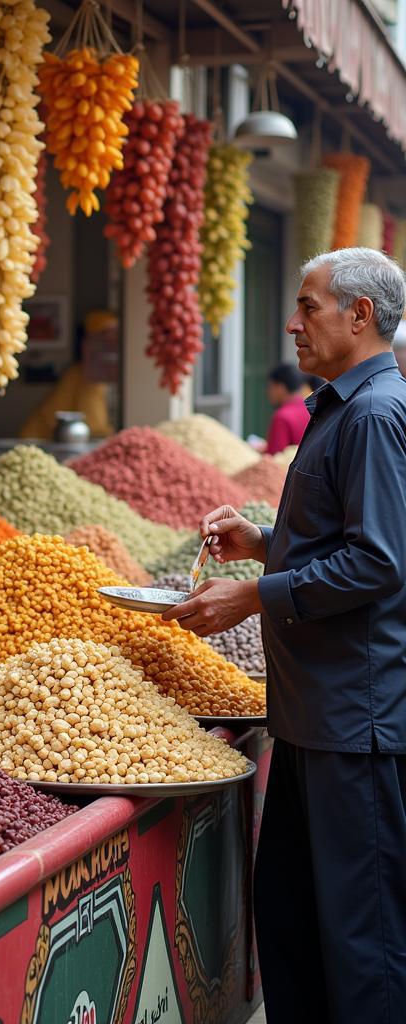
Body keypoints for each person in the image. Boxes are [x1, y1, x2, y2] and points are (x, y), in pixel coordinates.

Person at [162, 248, 406, 1022]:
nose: (292, 323)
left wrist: (256, 596)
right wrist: (262, 540)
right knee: (298, 927)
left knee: (359, 940)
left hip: (353, 724)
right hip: (312, 717)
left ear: (359, 316)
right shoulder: (342, 405)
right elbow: (344, 538)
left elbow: (378, 562)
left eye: (307, 307)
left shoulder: (374, 413)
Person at [19, 311, 115, 440]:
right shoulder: (87, 375)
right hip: (39, 438)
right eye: (104, 335)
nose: (111, 341)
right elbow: (95, 425)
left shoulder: (90, 373)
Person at [263, 362, 311, 454]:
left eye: (270, 387)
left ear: (280, 387)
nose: (268, 392)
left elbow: (275, 457)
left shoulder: (282, 416)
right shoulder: (311, 408)